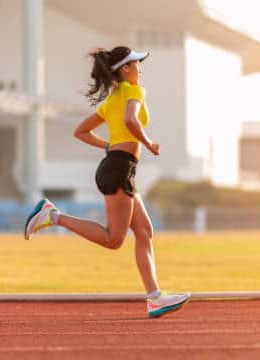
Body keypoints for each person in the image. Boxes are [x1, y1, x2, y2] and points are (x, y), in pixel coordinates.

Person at [24, 46, 190, 318]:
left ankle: (155, 298)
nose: (140, 68)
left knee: (145, 231)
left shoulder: (112, 98)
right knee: (114, 240)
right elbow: (130, 120)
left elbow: (81, 131)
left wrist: (109, 145)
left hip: (118, 166)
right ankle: (52, 216)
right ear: (125, 69)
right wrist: (147, 143)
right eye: (136, 63)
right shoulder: (134, 91)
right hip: (119, 168)